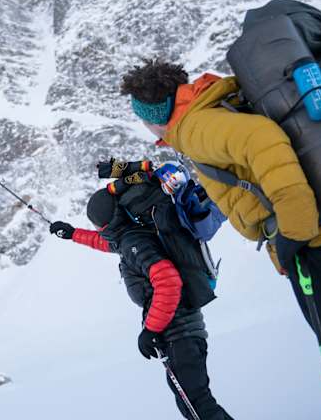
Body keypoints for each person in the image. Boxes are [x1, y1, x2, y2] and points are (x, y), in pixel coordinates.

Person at [119, 57, 321, 419]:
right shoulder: (213, 109)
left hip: (320, 250)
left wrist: (293, 235)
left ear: (153, 114)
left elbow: (262, 140)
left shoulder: (196, 125)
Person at [50, 168, 233, 420]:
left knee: (198, 407)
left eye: (96, 224)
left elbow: (168, 281)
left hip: (179, 335)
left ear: (106, 222)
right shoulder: (131, 237)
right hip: (181, 334)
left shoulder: (135, 243)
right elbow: (108, 243)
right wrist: (72, 234)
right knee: (194, 405)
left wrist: (151, 329)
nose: (96, 229)